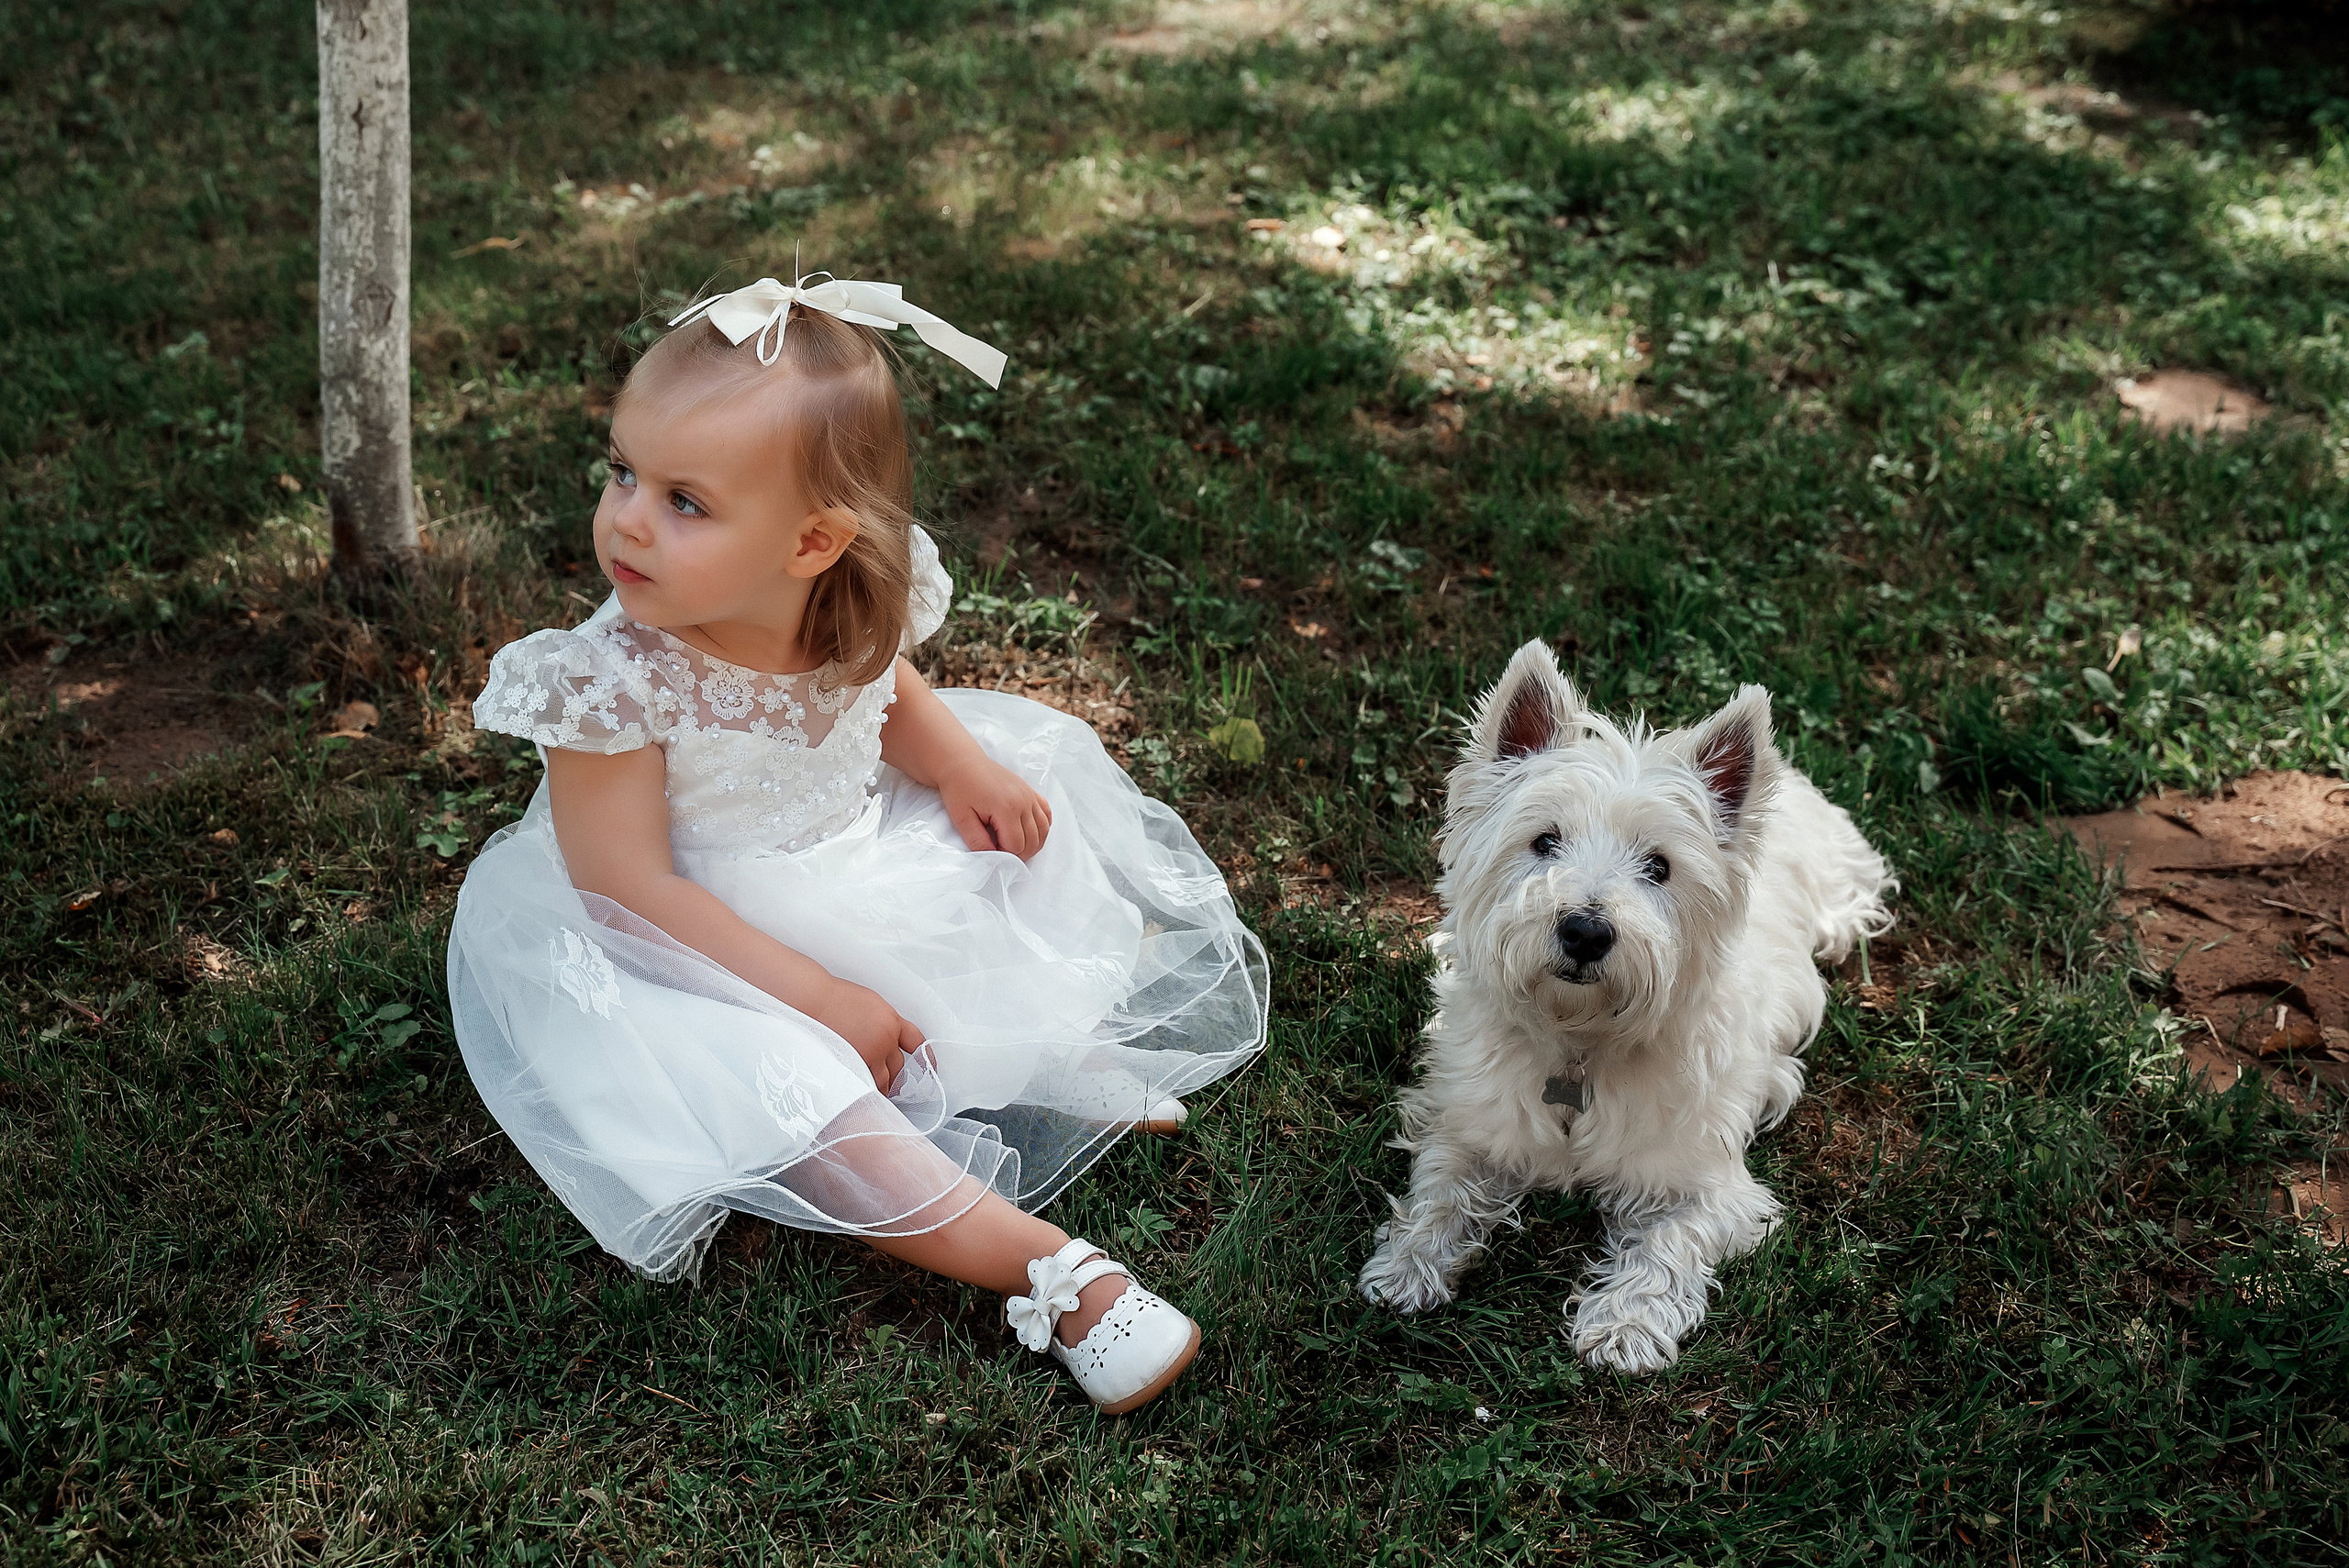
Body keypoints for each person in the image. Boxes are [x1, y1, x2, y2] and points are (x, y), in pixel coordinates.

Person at [449, 273, 1267, 1413]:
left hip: (838, 856)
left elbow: (879, 679)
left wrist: (958, 763)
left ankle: (1012, 1053)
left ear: (814, 542)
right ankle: (1049, 1269)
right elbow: (624, 888)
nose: (627, 518)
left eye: (685, 500)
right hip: (677, 946)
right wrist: (817, 992)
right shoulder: (609, 680)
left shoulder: (841, 594)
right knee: (800, 1096)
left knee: (1015, 828)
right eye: (623, 470)